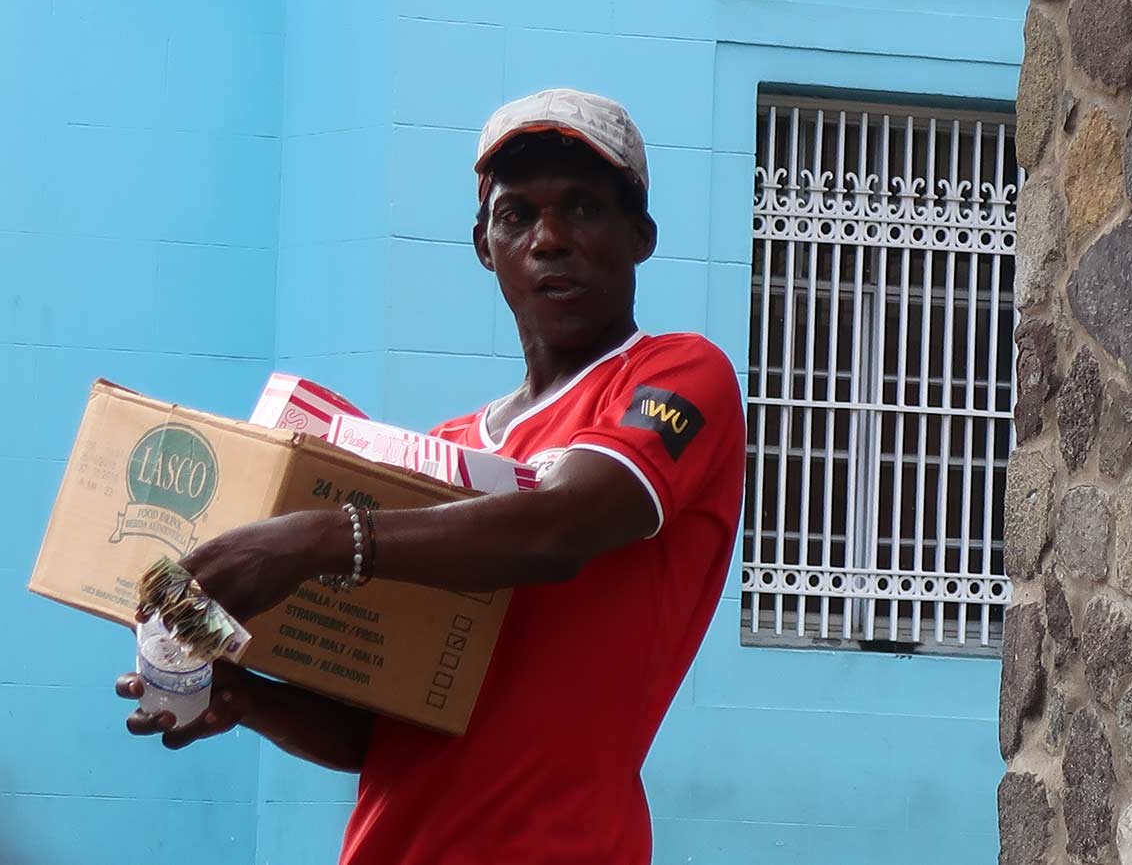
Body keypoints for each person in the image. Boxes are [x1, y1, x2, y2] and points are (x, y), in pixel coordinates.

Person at [115, 89, 747, 865]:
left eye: (582, 209)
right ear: (484, 245)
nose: (549, 239)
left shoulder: (679, 375)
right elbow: (385, 729)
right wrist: (243, 697)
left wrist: (315, 538)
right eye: (517, 216)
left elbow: (560, 529)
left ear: (640, 236)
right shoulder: (446, 452)